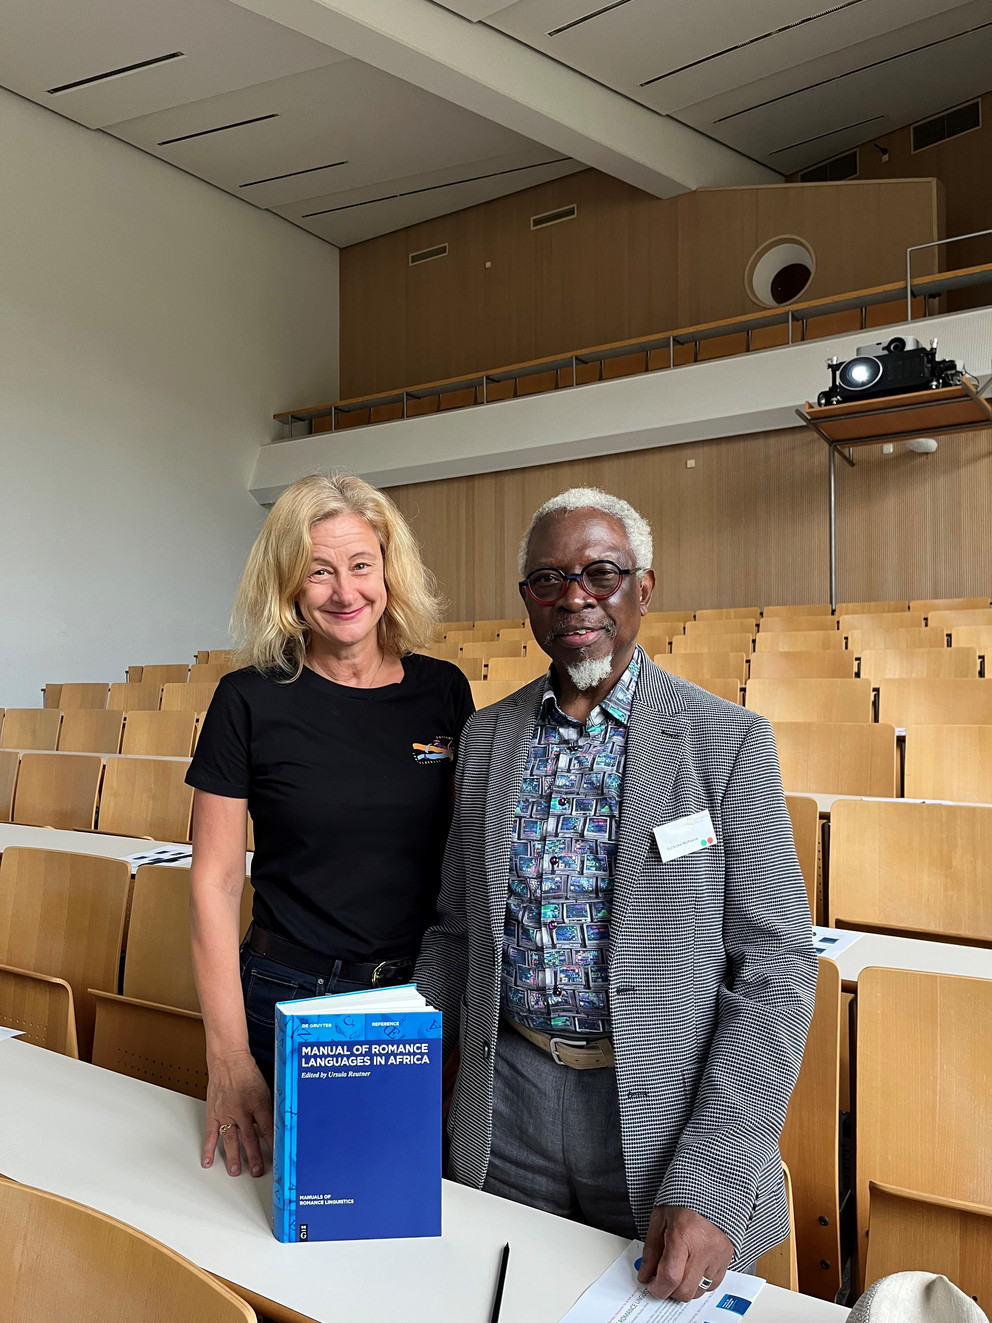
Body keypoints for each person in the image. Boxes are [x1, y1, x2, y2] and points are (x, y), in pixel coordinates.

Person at [414, 487, 816, 1302]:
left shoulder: (726, 740)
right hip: (508, 1100)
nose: (575, 597)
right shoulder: (489, 735)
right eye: (548, 579)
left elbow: (775, 968)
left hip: (665, 1113)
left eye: (602, 572)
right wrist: (379, 1073)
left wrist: (712, 1170)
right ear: (528, 598)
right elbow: (456, 932)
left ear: (644, 586)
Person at [187, 473, 473, 1180]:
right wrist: (227, 1056)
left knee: (400, 1210)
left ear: (388, 569)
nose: (345, 592)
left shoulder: (443, 692)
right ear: (288, 583)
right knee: (274, 1215)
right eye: (319, 571)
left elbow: (468, 867)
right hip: (284, 997)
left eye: (360, 565)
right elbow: (216, 882)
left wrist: (457, 1018)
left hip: (411, 1004)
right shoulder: (246, 699)